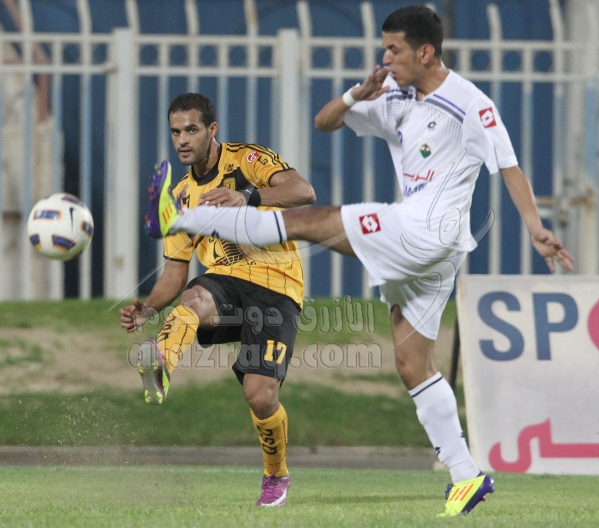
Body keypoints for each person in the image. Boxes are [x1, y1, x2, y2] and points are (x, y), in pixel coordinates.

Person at [145, 6, 574, 517]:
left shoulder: (472, 105)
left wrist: (535, 227)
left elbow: (509, 167)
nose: (385, 58)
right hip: (438, 258)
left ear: (425, 52)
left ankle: (185, 217)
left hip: (424, 229)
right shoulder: (393, 96)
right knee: (412, 365)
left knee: (313, 220)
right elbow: (324, 122)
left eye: (393, 49)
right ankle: (466, 476)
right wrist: (357, 94)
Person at [120, 92, 315, 507]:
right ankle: (161, 365)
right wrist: (148, 308)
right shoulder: (180, 196)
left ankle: (276, 475)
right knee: (192, 299)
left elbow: (304, 191)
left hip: (277, 286)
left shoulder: (246, 160)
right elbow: (175, 273)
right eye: (176, 132)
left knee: (260, 396)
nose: (182, 140)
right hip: (225, 282)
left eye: (191, 130)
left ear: (212, 130)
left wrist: (248, 197)